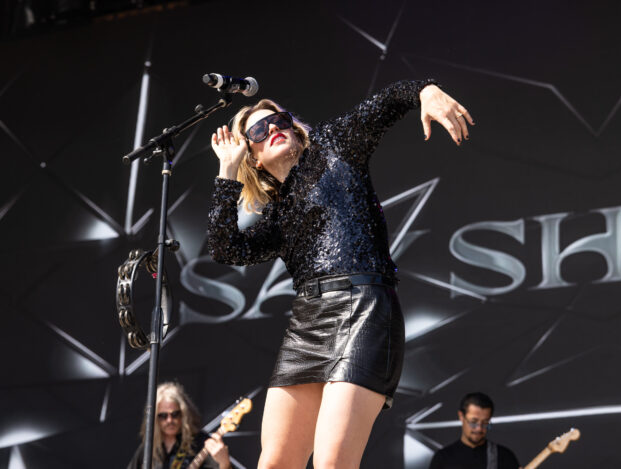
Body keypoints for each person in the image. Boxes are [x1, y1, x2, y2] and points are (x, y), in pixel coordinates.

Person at [208, 79, 473, 469]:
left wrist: (426, 91)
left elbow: (386, 102)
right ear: (254, 157)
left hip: (364, 308)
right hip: (307, 324)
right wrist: (227, 173)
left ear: (295, 129)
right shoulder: (278, 217)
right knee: (275, 463)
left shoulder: (334, 148)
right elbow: (225, 248)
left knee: (331, 463)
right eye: (260, 130)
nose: (274, 127)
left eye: (280, 120)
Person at [127, 381, 231, 469]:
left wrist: (225, 464)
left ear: (184, 414)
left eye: (175, 414)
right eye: (163, 416)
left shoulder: (201, 443)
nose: (169, 420)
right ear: (155, 418)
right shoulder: (149, 448)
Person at [429, 392, 520, 469]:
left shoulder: (504, 456)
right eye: (473, 422)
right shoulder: (442, 458)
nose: (479, 428)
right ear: (461, 416)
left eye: (485, 422)